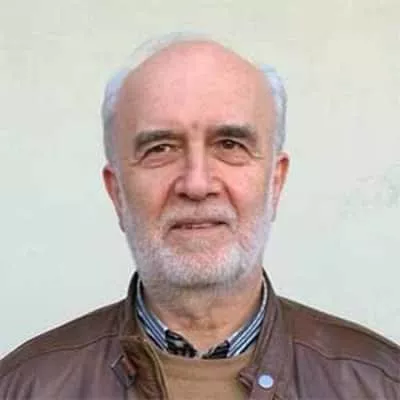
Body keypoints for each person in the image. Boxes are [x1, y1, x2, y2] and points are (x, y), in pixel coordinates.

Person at [1, 33, 399, 400]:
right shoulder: (24, 388)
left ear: (275, 183)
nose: (196, 183)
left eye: (230, 144)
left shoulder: (381, 384)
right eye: (160, 148)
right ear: (117, 191)